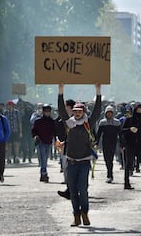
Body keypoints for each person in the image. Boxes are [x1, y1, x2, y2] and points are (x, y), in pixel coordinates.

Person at [57, 83, 101, 227]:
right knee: (73, 191)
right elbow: (61, 109)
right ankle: (76, 215)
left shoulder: (88, 123)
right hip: (71, 162)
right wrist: (61, 90)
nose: (77, 113)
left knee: (83, 189)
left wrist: (98, 90)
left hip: (84, 162)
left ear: (83, 112)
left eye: (79, 111)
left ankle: (85, 213)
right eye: (75, 111)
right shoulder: (69, 123)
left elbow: (98, 110)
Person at [96, 105, 122, 183]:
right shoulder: (102, 122)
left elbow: (120, 134)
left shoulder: (117, 122)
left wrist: (122, 144)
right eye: (108, 113)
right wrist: (96, 143)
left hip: (113, 143)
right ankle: (109, 172)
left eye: (110, 113)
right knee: (106, 159)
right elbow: (99, 134)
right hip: (105, 143)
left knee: (110, 159)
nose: (109, 114)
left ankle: (110, 175)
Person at [56, 99, 76, 200]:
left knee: (72, 171)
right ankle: (70, 190)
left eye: (66, 106)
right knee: (66, 170)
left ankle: (73, 191)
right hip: (66, 147)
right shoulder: (63, 119)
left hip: (76, 149)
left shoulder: (76, 118)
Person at [32, 104, 56, 182]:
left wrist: (55, 140)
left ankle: (42, 173)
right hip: (41, 142)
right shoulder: (38, 121)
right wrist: (35, 136)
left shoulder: (52, 121)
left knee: (45, 158)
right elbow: (33, 131)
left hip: (48, 142)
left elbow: (54, 131)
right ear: (43, 112)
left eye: (49, 111)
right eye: (46, 111)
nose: (47, 113)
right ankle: (44, 173)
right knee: (43, 158)